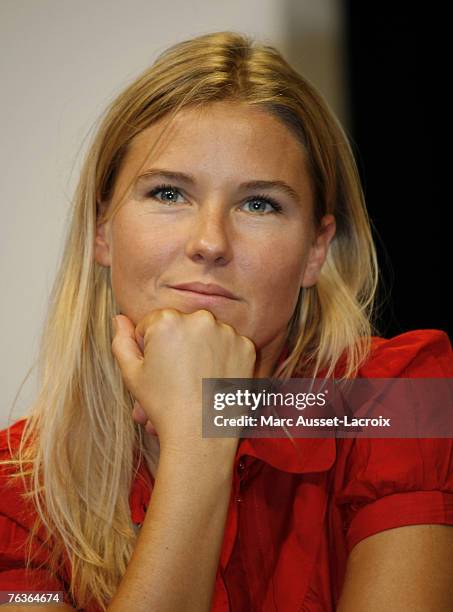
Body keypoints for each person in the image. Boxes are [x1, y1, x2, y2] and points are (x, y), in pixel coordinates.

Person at [1, 30, 453, 612]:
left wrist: (208, 416)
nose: (210, 242)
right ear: (102, 228)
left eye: (259, 204)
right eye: (168, 193)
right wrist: (199, 441)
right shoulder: (17, 492)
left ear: (316, 250)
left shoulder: (398, 398)